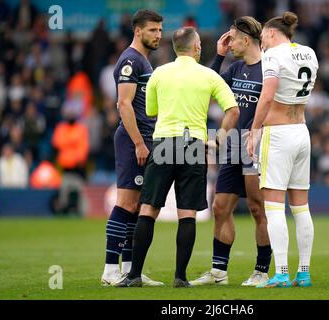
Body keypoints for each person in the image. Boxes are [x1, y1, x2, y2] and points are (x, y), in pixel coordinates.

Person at [115, 26, 239, 288]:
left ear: (174, 48)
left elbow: (150, 110)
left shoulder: (159, 73)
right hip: (193, 145)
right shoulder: (208, 75)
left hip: (163, 143)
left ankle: (135, 275)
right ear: (197, 48)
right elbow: (233, 110)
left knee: (148, 209)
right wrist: (219, 138)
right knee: (187, 214)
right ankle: (180, 278)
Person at [190, 16, 272, 287]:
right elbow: (207, 87)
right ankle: (218, 272)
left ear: (246, 40)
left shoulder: (269, 69)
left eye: (233, 38)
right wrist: (220, 55)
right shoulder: (235, 69)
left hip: (256, 145)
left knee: (257, 208)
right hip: (232, 146)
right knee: (220, 206)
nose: (230, 42)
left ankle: (262, 271)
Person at [247, 12, 318, 288]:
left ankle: (282, 273)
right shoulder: (309, 53)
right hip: (302, 131)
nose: (261, 41)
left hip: (278, 134)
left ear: (273, 34)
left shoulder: (273, 56)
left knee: (274, 207)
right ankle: (304, 272)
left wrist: (254, 130)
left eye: (263, 36)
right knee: (301, 207)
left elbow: (267, 95)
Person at [100, 9, 164, 287]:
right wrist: (138, 142)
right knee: (126, 204)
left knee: (137, 207)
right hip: (132, 139)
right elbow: (123, 104)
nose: (158, 35)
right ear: (138, 31)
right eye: (152, 30)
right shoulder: (130, 60)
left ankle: (129, 271)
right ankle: (109, 270)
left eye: (160, 30)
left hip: (145, 138)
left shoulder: (144, 62)